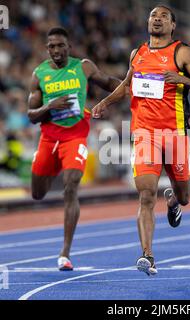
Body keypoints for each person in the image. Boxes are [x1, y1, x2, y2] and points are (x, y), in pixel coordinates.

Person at [92, 5, 190, 275]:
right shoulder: (138, 53)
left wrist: (180, 78)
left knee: (184, 196)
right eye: (153, 16)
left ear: (172, 26)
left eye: (163, 17)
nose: (157, 19)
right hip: (145, 134)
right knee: (146, 195)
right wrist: (105, 102)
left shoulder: (182, 52)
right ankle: (147, 255)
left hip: (175, 135)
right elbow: (126, 85)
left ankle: (173, 202)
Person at [28, 27, 121, 271]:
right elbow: (31, 115)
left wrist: (135, 88)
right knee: (37, 193)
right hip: (49, 138)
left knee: (71, 185)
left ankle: (65, 253)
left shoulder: (83, 67)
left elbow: (109, 82)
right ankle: (50, 169)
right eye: (52, 46)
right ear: (47, 49)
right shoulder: (39, 74)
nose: (56, 50)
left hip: (75, 137)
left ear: (69, 47)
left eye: (60, 45)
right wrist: (49, 105)